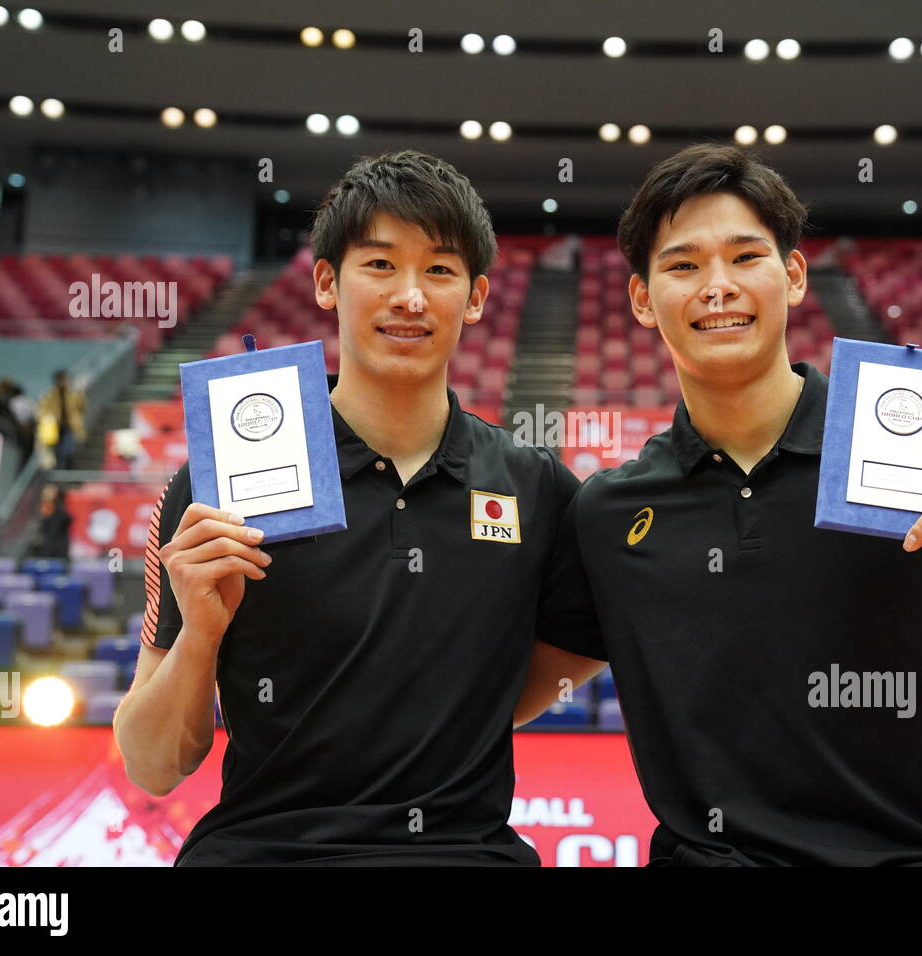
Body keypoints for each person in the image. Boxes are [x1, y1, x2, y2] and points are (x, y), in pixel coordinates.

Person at [518, 143, 922, 866]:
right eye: (682, 265)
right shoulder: (610, 512)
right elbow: (506, 696)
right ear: (642, 298)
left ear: (793, 276)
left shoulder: (917, 438)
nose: (718, 286)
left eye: (745, 256)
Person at [113, 150, 600, 866]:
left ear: (475, 296)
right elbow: (153, 767)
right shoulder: (220, 486)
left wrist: (448, 721)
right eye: (379, 265)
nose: (410, 296)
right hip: (262, 853)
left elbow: (552, 664)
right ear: (325, 282)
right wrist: (201, 639)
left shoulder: (537, 488)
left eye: (439, 269)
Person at [36, 369, 86, 470]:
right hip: (55, 429)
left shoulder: (72, 394)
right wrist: (49, 418)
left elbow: (81, 406)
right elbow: (41, 409)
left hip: (69, 426)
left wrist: (80, 392)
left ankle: (67, 472)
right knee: (57, 453)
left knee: (69, 451)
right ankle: (59, 474)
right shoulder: (50, 395)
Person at [30, 483, 72, 560]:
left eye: (51, 491)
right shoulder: (38, 508)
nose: (47, 494)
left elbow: (56, 530)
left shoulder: (60, 511)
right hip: (42, 550)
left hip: (56, 551)